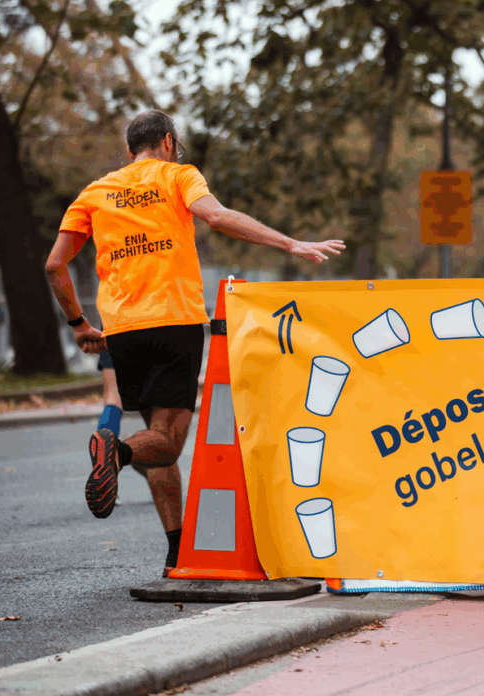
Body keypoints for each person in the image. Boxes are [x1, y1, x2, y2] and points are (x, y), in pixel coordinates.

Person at [45, 110, 345, 576]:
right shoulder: (178, 175)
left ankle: (175, 552)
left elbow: (54, 266)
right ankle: (116, 452)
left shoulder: (94, 192)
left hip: (120, 329)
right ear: (168, 141)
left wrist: (79, 324)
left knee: (156, 435)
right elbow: (217, 216)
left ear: (129, 149)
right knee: (165, 443)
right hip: (173, 321)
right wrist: (290, 244)